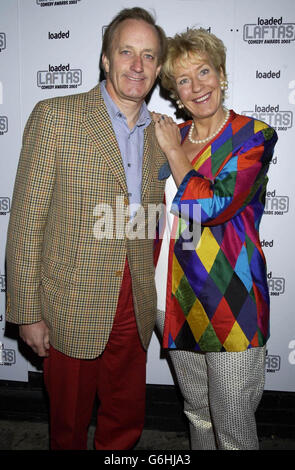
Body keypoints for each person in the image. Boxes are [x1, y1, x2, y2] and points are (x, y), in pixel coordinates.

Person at [5, 7, 167, 450]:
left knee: (124, 418)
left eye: (149, 56)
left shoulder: (162, 133)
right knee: (68, 425)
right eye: (127, 52)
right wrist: (27, 312)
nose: (137, 65)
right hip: (69, 302)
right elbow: (25, 222)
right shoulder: (57, 116)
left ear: (157, 67)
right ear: (105, 59)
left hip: (134, 300)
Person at [153, 28, 278, 450]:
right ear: (175, 91)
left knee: (233, 426)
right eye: (183, 80)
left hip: (231, 298)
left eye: (203, 71)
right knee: (198, 415)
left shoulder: (252, 136)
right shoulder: (178, 134)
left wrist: (173, 153)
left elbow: (212, 207)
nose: (196, 86)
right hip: (176, 297)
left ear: (221, 74)